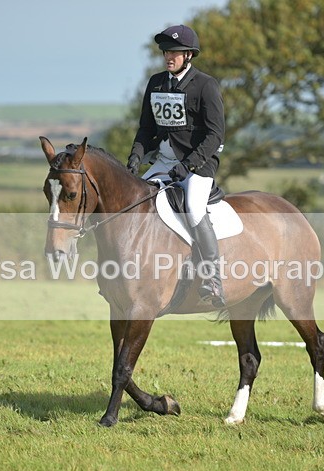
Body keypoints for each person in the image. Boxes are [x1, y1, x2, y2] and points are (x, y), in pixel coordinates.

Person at [126, 24, 226, 308]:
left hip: (198, 165)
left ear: (189, 55)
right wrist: (136, 155)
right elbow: (146, 127)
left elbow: (215, 135)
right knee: (135, 203)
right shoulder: (156, 83)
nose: (169, 56)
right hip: (164, 162)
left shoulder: (206, 85)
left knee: (194, 209)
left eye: (176, 52)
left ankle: (212, 279)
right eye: (167, 51)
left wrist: (189, 165)